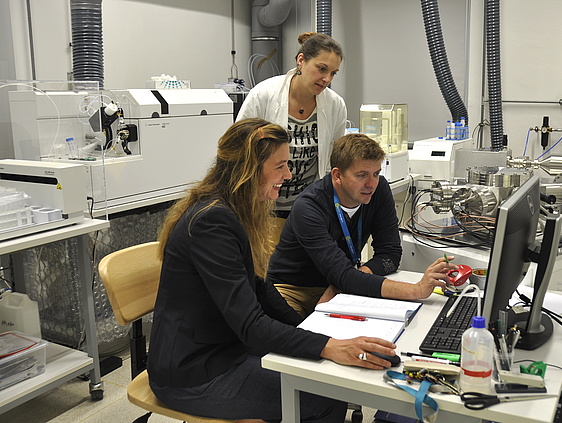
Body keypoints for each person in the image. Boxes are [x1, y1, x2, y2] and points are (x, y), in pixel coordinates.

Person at [147, 119, 396, 422]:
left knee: (319, 372)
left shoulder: (230, 210)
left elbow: (259, 289)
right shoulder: (212, 223)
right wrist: (327, 346)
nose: (288, 175)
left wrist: (308, 331)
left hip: (221, 348)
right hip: (193, 372)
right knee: (326, 400)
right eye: (280, 166)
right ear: (250, 169)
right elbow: (251, 324)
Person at [268, 133, 455, 317]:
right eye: (361, 175)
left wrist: (353, 277)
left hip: (337, 283)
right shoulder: (309, 207)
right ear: (337, 175)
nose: (371, 184)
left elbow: (390, 253)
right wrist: (416, 290)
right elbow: (345, 276)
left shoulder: (379, 190)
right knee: (298, 340)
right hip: (293, 290)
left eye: (376, 174)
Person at [236, 32, 347, 217]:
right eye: (321, 69)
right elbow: (238, 150)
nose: (327, 79)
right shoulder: (263, 95)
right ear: (301, 61)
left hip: (308, 206)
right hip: (263, 204)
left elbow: (332, 159)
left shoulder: (335, 105)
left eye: (333, 73)